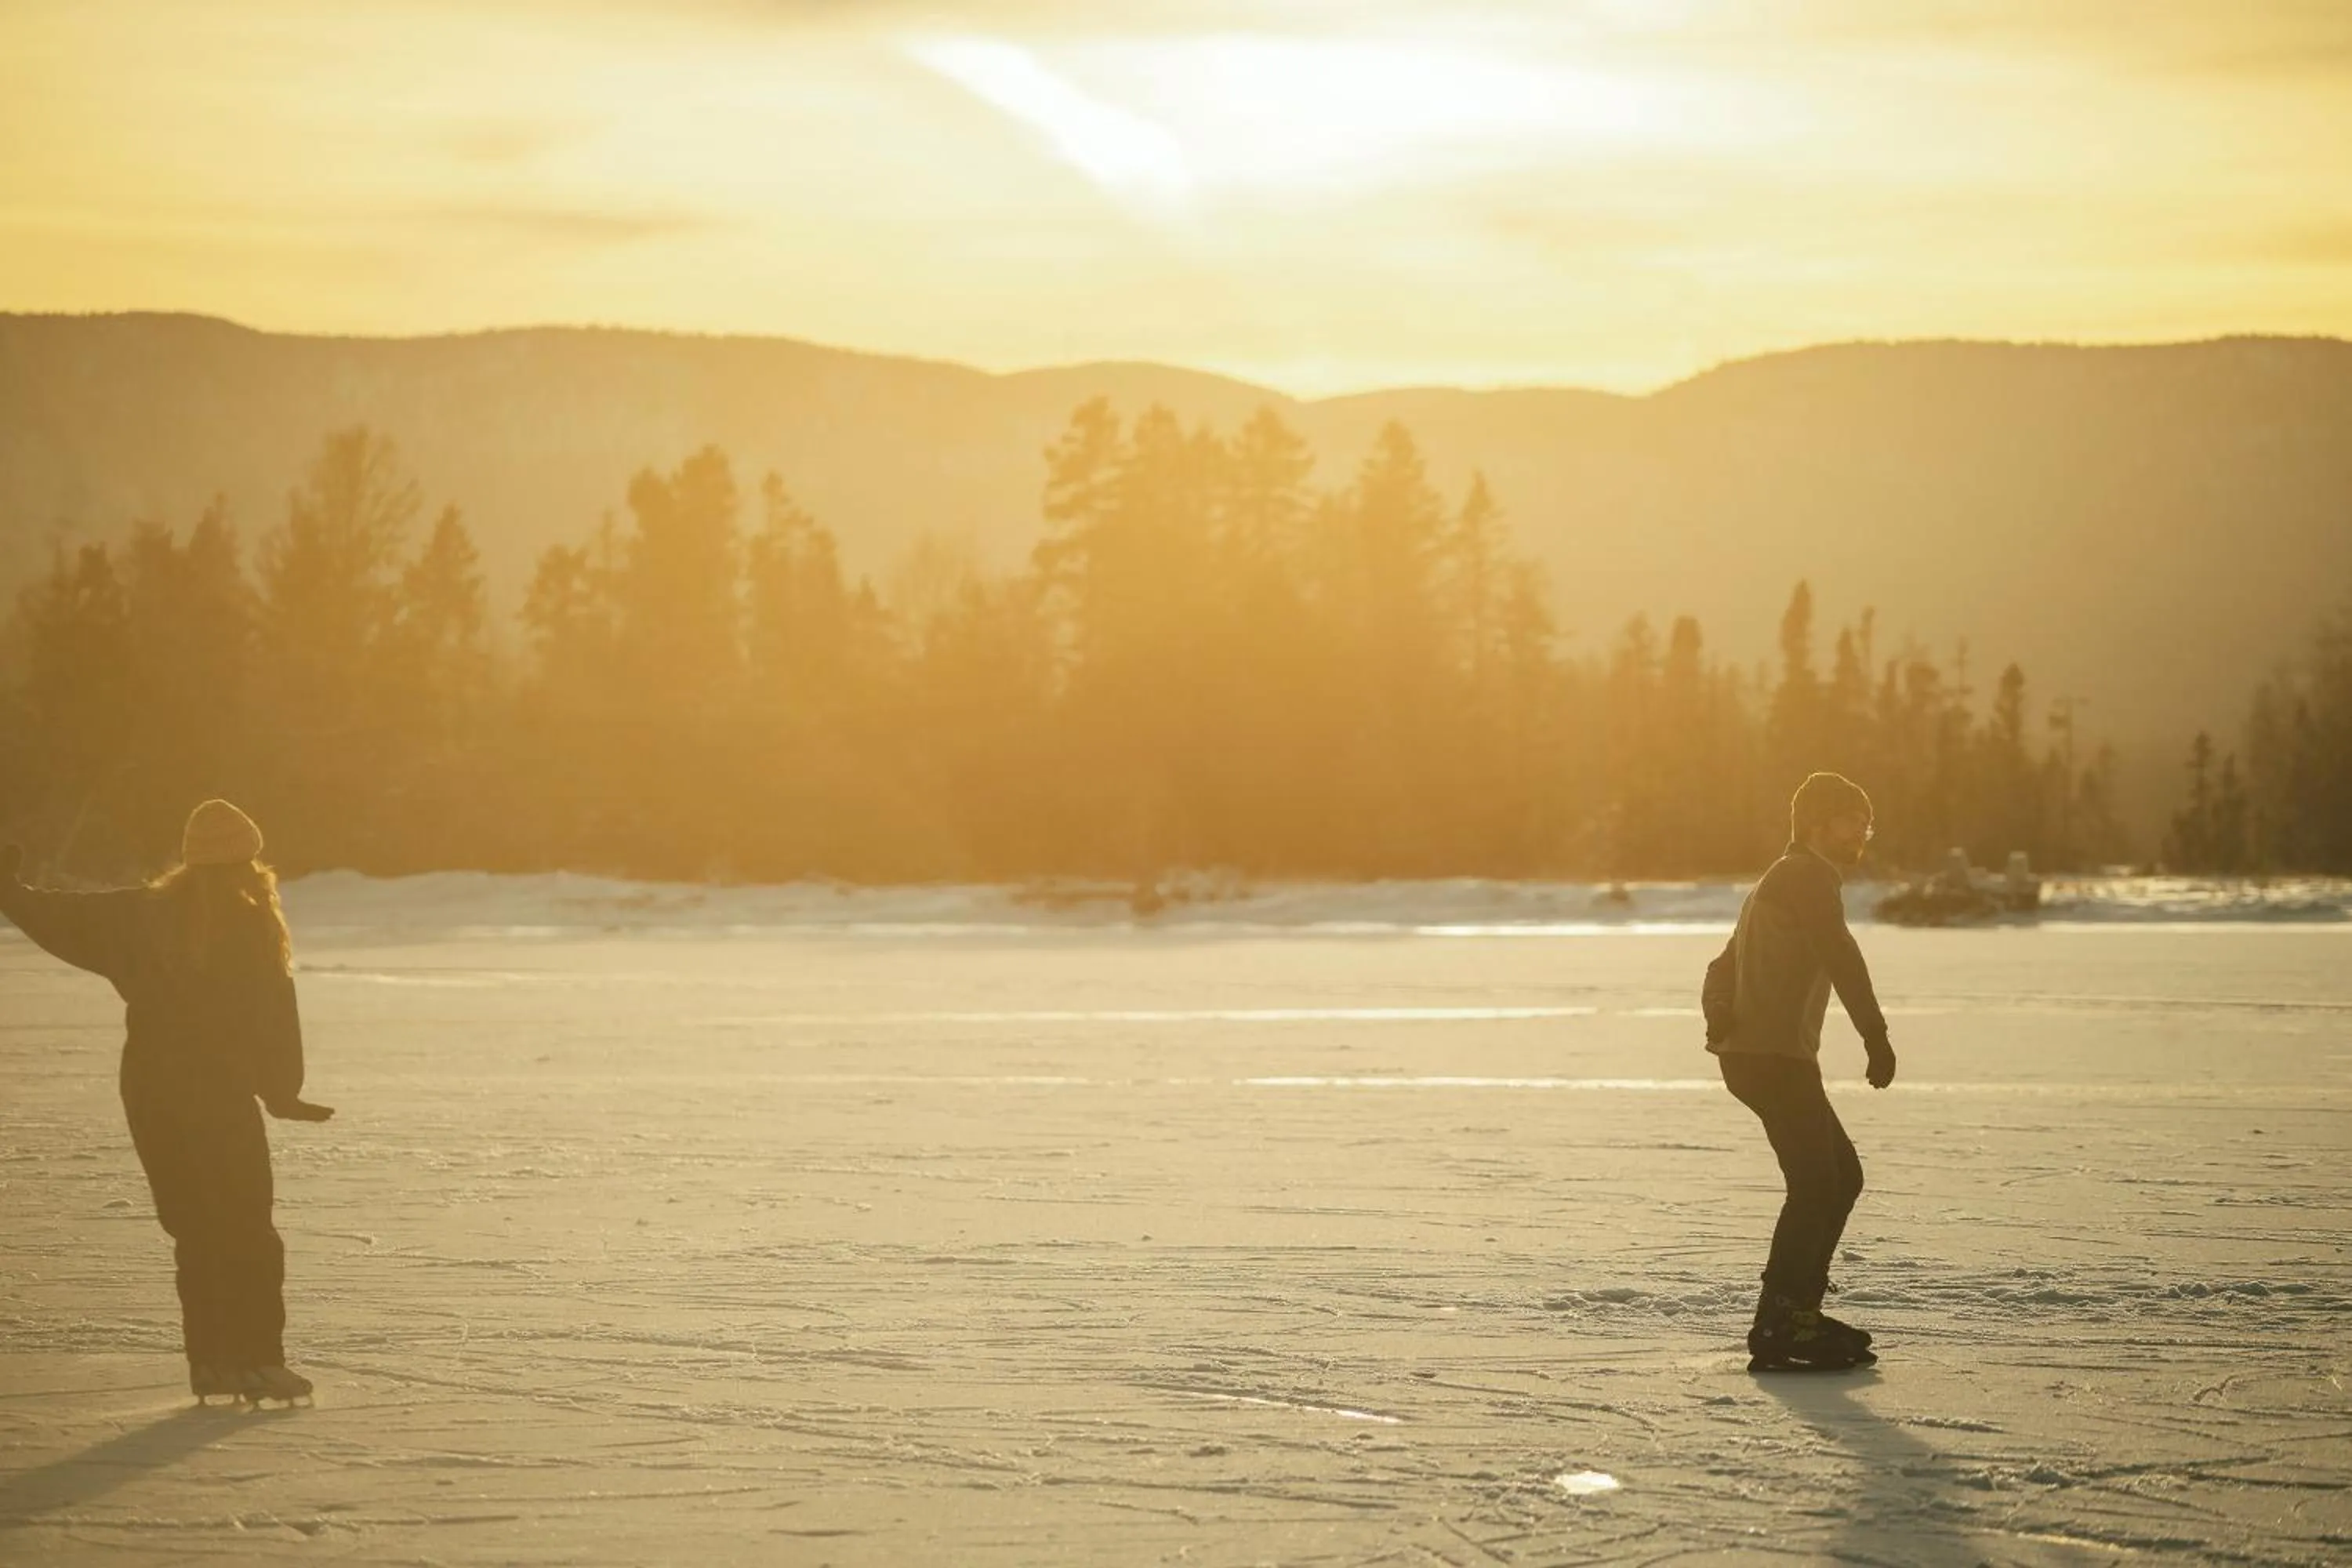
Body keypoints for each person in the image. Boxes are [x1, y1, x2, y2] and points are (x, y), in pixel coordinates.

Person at [0, 800, 332, 1404]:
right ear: (250, 861)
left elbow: (58, 916)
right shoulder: (251, 921)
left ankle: (212, 1363)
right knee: (246, 1229)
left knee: (196, 1230)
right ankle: (259, 1361)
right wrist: (282, 1090)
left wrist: (10, 889)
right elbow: (274, 1017)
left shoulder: (138, 913)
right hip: (216, 1093)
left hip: (151, 1089)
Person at [1701, 772, 1896, 1371]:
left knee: (1840, 1177)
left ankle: (1796, 1313)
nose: (1862, 832)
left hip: (1763, 1056)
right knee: (1818, 1183)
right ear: (1818, 822)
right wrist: (1875, 1035)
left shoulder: (1779, 877)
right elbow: (1840, 953)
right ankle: (1782, 1320)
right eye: (1852, 820)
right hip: (1771, 1057)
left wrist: (1720, 1013)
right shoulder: (1807, 875)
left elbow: (1721, 966)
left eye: (1867, 823)